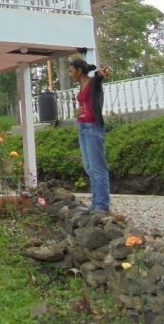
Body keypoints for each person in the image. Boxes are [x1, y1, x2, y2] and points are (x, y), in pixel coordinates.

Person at [69, 58, 111, 213]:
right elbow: (86, 104)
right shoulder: (81, 87)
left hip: (93, 127)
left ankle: (102, 205)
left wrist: (101, 73)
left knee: (98, 167)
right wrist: (78, 112)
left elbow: (98, 78)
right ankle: (95, 203)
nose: (70, 74)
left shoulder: (93, 83)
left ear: (79, 71)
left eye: (71, 71)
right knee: (89, 167)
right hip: (83, 127)